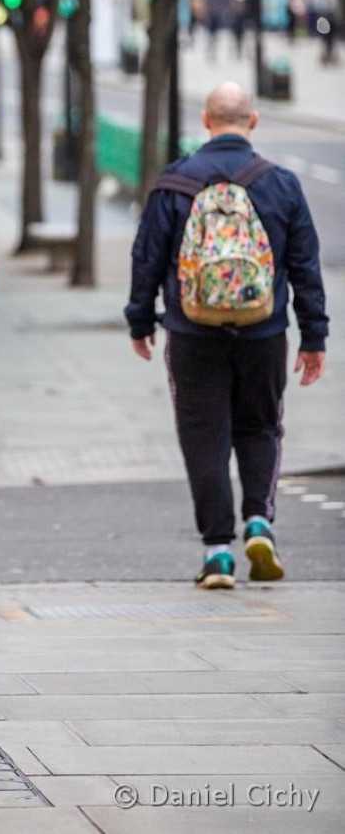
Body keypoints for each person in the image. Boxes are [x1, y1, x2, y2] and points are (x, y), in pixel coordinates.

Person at [125, 83, 328, 589]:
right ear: (253, 122)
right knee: (260, 427)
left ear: (205, 121)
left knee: (203, 436)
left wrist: (140, 320)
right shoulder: (281, 184)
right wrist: (314, 337)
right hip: (264, 330)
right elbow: (305, 266)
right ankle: (259, 520)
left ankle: (218, 551)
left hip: (193, 331)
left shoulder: (174, 182)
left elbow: (147, 255)